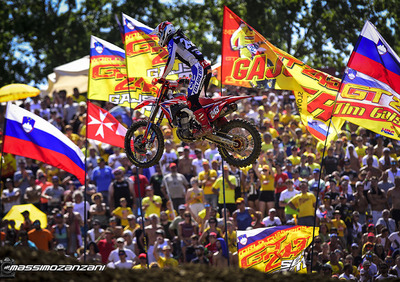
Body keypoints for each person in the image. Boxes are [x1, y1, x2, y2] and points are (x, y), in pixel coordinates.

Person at [151, 21, 212, 138]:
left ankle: (206, 128)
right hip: (204, 67)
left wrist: (162, 77)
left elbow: (170, 61)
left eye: (159, 35)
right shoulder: (180, 37)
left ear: (165, 31)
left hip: (199, 68)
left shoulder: (172, 41)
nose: (159, 38)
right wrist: (183, 79)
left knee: (191, 100)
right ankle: (214, 123)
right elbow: (190, 57)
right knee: (202, 101)